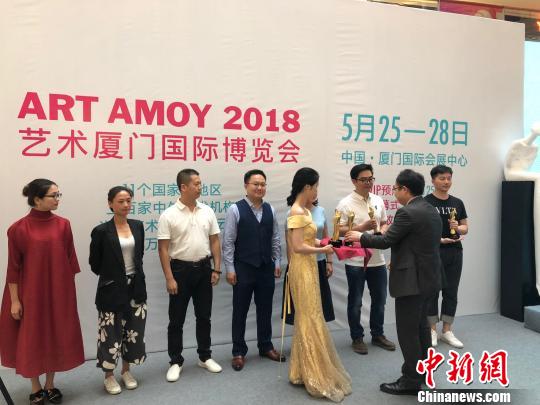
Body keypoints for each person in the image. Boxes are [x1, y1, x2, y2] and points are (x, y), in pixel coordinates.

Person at [346, 169, 441, 395]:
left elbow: (386, 241)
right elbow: (413, 241)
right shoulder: (430, 208)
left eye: (396, 188)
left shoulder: (406, 212)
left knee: (408, 332)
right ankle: (423, 372)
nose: (395, 192)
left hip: (411, 281)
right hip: (429, 278)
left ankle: (410, 380)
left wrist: (360, 237)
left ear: (405, 189)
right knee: (422, 328)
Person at [0, 179, 84, 404]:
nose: (57, 199)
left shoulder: (63, 225)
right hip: (30, 293)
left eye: (58, 194)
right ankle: (35, 386)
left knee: (55, 334)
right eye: (53, 195)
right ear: (37, 199)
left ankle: (50, 385)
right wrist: (15, 301)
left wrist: (67, 295)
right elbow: (13, 268)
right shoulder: (18, 229)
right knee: (32, 337)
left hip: (58, 291)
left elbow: (70, 261)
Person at [286, 167, 352, 402]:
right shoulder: (296, 210)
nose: (316, 191)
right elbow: (297, 246)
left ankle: (301, 370)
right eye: (315, 187)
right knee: (308, 317)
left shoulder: (304, 210)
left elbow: (308, 238)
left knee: (311, 314)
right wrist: (323, 250)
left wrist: (327, 243)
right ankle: (312, 371)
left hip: (310, 267)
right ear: (307, 187)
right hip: (301, 268)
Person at [157, 169, 222, 382]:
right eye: (196, 183)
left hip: (204, 269)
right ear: (183, 187)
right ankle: (175, 361)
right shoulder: (169, 215)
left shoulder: (207, 211)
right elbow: (163, 249)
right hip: (179, 271)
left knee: (204, 316)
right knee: (176, 320)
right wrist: (169, 278)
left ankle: (205, 356)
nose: (200, 187)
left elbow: (214, 241)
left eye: (200, 183)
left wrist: (216, 268)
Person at [222, 169, 284, 372]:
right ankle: (238, 351)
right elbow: (228, 242)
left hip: (266, 267)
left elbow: (275, 238)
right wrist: (230, 268)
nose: (259, 187)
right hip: (243, 268)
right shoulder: (235, 209)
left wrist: (277, 262)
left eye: (263, 184)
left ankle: (266, 346)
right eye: (255, 184)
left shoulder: (270, 209)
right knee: (240, 311)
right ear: (246, 186)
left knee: (265, 309)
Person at [89, 186, 148, 394]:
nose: (125, 205)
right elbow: (95, 264)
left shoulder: (138, 226)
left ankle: (126, 371)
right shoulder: (101, 231)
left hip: (136, 287)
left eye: (128, 200)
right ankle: (109, 376)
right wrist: (114, 276)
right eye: (121, 201)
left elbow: (139, 255)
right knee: (110, 333)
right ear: (110, 203)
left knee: (133, 332)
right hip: (112, 289)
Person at [336, 164, 395, 354]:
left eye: (371, 179)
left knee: (380, 300)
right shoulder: (345, 203)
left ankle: (378, 334)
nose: (368, 182)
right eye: (364, 179)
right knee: (356, 301)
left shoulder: (378, 199)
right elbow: (338, 230)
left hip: (377, 258)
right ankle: (357, 337)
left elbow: (384, 223)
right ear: (354, 181)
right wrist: (361, 228)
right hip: (356, 260)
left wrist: (382, 232)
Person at [424, 165, 468, 348]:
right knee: (432, 291)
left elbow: (465, 227)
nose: (446, 182)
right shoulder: (426, 202)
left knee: (451, 291)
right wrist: (438, 240)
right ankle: (432, 330)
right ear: (433, 180)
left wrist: (458, 227)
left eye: (449, 178)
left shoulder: (457, 202)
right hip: (433, 251)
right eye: (442, 178)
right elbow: (421, 230)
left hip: (455, 251)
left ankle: (447, 330)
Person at [283, 199, 335, 325]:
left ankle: (317, 334)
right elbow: (290, 243)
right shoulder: (292, 213)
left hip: (319, 263)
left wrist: (329, 261)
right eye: (311, 189)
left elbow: (325, 238)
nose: (314, 193)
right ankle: (305, 335)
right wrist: (291, 266)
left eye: (315, 189)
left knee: (319, 305)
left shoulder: (321, 211)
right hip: (301, 265)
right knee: (303, 306)